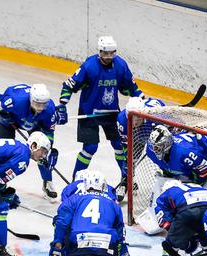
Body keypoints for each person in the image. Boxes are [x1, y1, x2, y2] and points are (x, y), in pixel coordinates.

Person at [58, 35, 144, 197]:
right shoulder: (89, 66)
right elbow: (69, 85)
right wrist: (62, 104)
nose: (108, 57)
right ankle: (75, 181)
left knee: (120, 146)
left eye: (111, 53)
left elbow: (131, 87)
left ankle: (126, 180)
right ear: (99, 52)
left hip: (111, 113)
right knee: (90, 148)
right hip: (89, 112)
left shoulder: (120, 65)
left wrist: (141, 97)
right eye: (105, 53)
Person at [42, 170, 138, 256]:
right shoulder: (109, 189)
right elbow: (113, 210)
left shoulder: (71, 189)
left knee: (61, 252)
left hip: (79, 230)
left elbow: (64, 215)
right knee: (122, 249)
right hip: (105, 231)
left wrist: (58, 232)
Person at [0, 83, 60, 200]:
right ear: (31, 99)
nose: (41, 108)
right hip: (11, 122)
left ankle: (47, 182)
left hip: (35, 123)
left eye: (43, 104)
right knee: (4, 152)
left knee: (42, 152)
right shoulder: (14, 100)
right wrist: (3, 114)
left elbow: (49, 132)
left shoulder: (50, 109)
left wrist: (49, 148)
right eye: (37, 104)